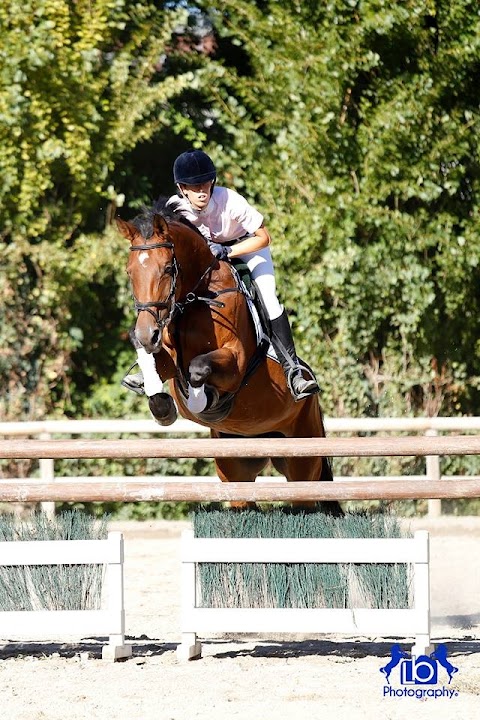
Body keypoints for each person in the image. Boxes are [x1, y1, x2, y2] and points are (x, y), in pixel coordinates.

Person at [123, 149, 319, 401]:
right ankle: (154, 367)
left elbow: (263, 237)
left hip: (246, 248)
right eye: (194, 187)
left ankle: (293, 371)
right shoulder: (175, 207)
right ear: (182, 188)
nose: (202, 191)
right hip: (209, 260)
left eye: (205, 184)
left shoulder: (231, 201)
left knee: (268, 297)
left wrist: (228, 250)